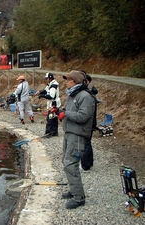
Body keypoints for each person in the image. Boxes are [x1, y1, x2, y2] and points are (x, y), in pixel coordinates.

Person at [58, 70, 95, 209]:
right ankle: (74, 190)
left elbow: (83, 116)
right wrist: (58, 111)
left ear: (76, 81)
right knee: (66, 161)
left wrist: (65, 113)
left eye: (69, 80)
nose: (66, 82)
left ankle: (79, 198)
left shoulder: (85, 96)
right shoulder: (72, 95)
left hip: (78, 134)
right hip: (69, 132)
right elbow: (70, 111)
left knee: (70, 163)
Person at [80, 71, 99, 171]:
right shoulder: (91, 93)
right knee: (88, 142)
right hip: (91, 123)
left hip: (88, 124)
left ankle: (85, 165)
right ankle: (89, 162)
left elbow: (86, 113)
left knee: (85, 143)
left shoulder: (88, 95)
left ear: (86, 81)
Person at [35, 73, 61, 137]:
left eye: (46, 79)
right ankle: (54, 132)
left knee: (50, 118)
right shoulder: (50, 84)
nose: (46, 80)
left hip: (53, 105)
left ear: (50, 78)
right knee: (54, 118)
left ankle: (48, 133)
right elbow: (46, 90)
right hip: (53, 104)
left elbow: (51, 96)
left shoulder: (53, 86)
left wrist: (42, 96)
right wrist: (40, 92)